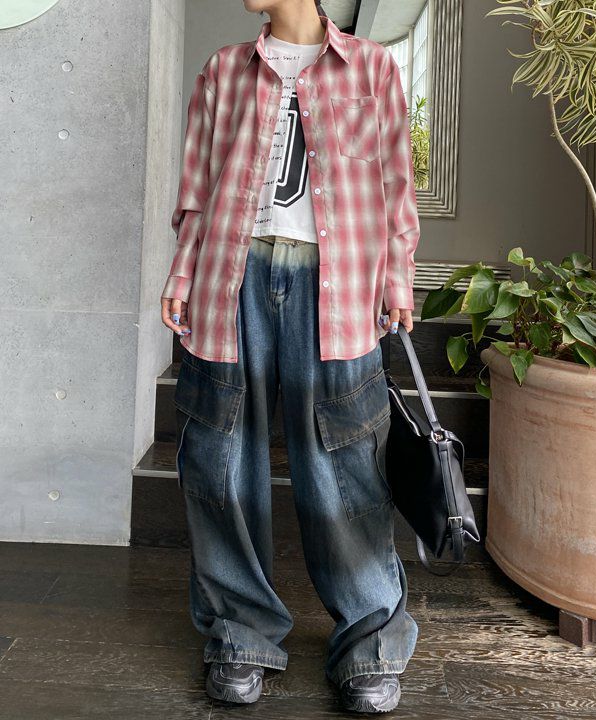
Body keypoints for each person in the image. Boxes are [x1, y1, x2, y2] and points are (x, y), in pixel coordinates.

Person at [160, 0, 420, 713]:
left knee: (343, 460)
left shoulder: (372, 69)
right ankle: (239, 634)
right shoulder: (223, 72)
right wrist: (183, 272)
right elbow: (197, 191)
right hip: (231, 274)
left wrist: (397, 278)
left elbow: (396, 185)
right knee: (220, 455)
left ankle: (370, 643)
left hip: (335, 284)